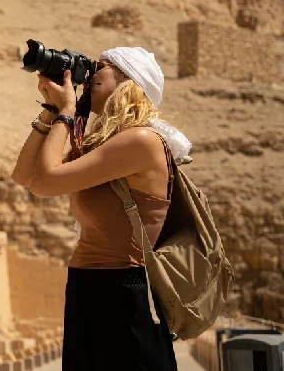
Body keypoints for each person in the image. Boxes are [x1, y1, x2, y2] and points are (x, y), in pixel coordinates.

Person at [11, 47, 192, 371]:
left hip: (125, 293)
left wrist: (66, 111)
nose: (90, 75)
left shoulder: (142, 142)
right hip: (88, 287)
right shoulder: (104, 146)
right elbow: (25, 177)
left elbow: (45, 181)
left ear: (128, 82)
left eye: (101, 67)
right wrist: (51, 112)